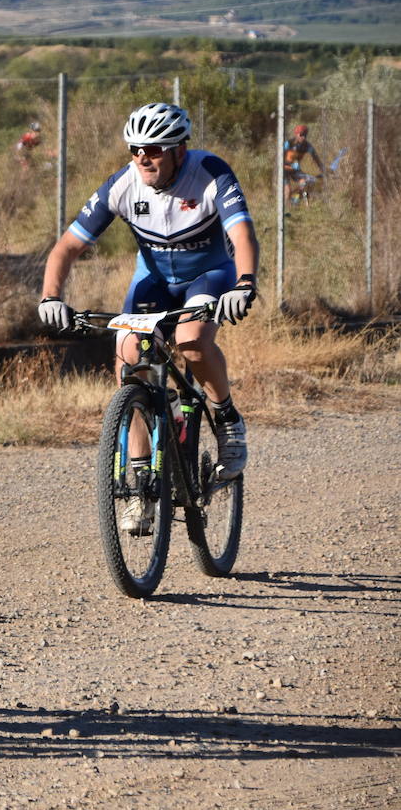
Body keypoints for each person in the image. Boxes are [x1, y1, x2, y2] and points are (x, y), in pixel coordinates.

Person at [37, 102, 259, 535]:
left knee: (193, 340)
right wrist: (50, 297)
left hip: (209, 275)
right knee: (128, 358)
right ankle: (140, 484)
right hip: (154, 280)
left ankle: (227, 420)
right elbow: (66, 248)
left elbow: (242, 234)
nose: (143, 157)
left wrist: (245, 283)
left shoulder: (211, 172)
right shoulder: (123, 185)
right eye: (136, 148)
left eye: (154, 149)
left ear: (179, 149)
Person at [283, 123, 325, 204]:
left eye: (305, 135)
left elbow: (316, 158)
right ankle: (287, 206)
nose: (304, 137)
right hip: (284, 169)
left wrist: (323, 169)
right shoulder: (288, 143)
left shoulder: (307, 145)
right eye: (301, 135)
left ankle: (295, 199)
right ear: (296, 134)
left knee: (307, 182)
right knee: (287, 191)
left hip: (295, 170)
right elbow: (279, 156)